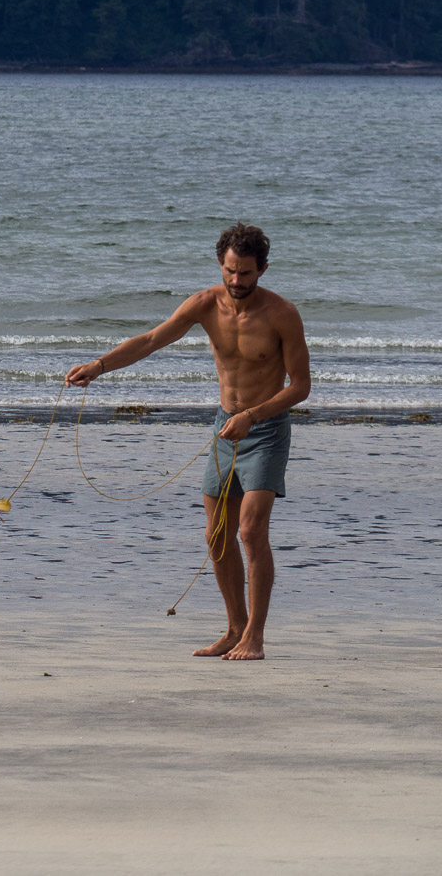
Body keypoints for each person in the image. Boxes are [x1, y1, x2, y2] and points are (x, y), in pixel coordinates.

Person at [65, 223, 310, 661]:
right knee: (217, 536)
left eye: (246, 273)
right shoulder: (204, 304)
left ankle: (255, 636)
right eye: (230, 271)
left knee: (251, 531)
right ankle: (234, 629)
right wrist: (99, 366)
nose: (236, 281)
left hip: (265, 429)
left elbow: (301, 386)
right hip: (224, 428)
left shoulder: (282, 314)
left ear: (263, 269)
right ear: (220, 264)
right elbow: (151, 340)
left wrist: (252, 416)